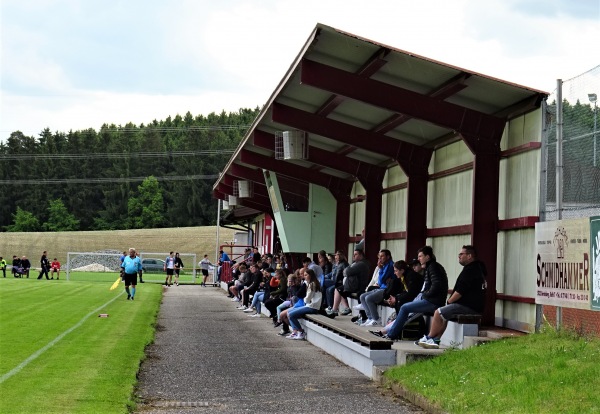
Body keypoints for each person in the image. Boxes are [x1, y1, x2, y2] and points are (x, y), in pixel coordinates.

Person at [417, 245, 487, 349]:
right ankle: (436, 340)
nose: (459, 256)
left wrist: (449, 301)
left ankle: (429, 337)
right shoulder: (478, 267)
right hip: (474, 306)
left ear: (469, 256)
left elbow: (459, 292)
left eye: (461, 254)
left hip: (469, 306)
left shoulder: (470, 270)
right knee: (445, 316)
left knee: (438, 312)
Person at [384, 246, 448, 341]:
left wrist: (425, 295)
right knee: (405, 307)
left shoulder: (433, 267)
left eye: (420, 256)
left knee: (405, 307)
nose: (418, 259)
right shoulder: (430, 267)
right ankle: (389, 332)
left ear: (427, 257)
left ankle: (391, 335)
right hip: (431, 299)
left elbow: (436, 285)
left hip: (433, 301)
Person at [358, 249, 395, 326]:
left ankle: (376, 319)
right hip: (382, 287)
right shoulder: (385, 265)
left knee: (368, 298)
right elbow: (381, 281)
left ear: (388, 257)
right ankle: (370, 318)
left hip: (387, 290)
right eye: (379, 256)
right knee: (362, 296)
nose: (380, 258)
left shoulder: (390, 265)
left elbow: (381, 280)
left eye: (382, 256)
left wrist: (380, 269)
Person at [286, 269, 322, 340]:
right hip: (309, 305)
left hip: (312, 307)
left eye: (306, 275)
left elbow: (307, 299)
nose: (304, 277)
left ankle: (301, 331)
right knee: (288, 312)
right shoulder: (312, 283)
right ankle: (295, 332)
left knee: (291, 315)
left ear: (310, 275)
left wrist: (305, 299)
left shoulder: (312, 284)